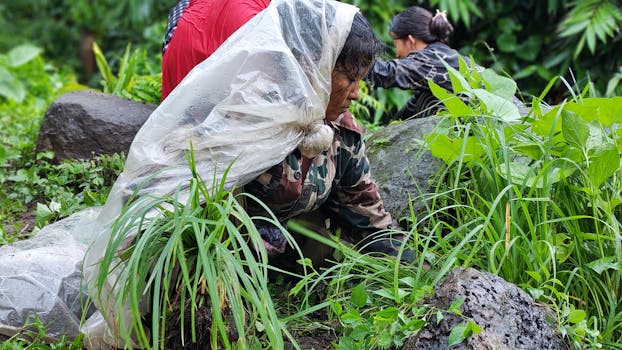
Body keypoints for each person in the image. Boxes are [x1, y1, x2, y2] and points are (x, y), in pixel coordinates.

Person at [83, 1, 413, 346]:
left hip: (278, 250)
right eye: (349, 77)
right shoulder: (240, 113)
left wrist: (413, 270)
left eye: (361, 79)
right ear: (313, 63)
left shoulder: (339, 134)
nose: (357, 93)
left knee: (324, 244)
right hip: (218, 260)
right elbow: (169, 199)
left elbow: (368, 215)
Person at [366, 6, 466, 120]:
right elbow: (408, 114)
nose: (397, 54)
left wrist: (348, 59)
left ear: (410, 41)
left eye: (396, 45)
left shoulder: (429, 59)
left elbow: (387, 73)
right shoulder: (449, 58)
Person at [161, 0, 271, 100]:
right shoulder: (272, 11)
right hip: (236, 58)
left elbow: (170, 36)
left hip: (182, 60)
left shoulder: (184, 6)